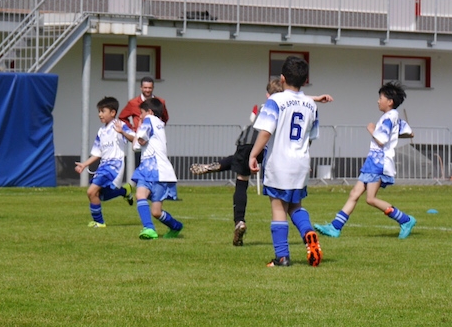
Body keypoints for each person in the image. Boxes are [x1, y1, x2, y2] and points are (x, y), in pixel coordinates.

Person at [188, 80, 334, 247]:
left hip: (247, 141)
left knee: (241, 180)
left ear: (267, 94)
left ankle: (239, 220)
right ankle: (294, 239)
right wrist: (316, 98)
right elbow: (296, 99)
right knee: (287, 202)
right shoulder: (287, 104)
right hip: (267, 145)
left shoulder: (269, 104)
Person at [314, 81, 417, 240]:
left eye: (381, 98)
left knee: (370, 199)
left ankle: (405, 220)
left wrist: (371, 130)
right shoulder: (394, 117)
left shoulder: (389, 118)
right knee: (354, 193)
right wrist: (393, 135)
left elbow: (381, 140)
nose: (378, 101)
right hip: (373, 161)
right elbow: (410, 133)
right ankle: (335, 227)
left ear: (390, 101)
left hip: (378, 162)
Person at [248, 56, 322, 267]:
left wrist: (253, 155)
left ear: (282, 78)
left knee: (278, 207)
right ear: (305, 80)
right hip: (301, 162)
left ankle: (282, 257)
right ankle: (308, 232)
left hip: (280, 162)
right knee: (295, 205)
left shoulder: (276, 101)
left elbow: (266, 131)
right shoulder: (311, 105)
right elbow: (310, 137)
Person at [75, 96, 135, 228]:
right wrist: (85, 164)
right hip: (103, 166)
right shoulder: (101, 131)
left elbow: (134, 138)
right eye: (99, 111)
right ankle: (124, 191)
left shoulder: (119, 125)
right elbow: (97, 152)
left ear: (113, 112)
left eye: (103, 111)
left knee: (91, 192)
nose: (100, 114)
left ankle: (100, 222)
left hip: (114, 165)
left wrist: (123, 132)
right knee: (99, 195)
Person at [131, 97, 183, 240]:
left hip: (153, 169)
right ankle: (150, 228)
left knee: (154, 209)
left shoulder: (149, 120)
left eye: (141, 113)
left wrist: (138, 129)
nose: (140, 116)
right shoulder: (159, 123)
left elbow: (138, 144)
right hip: (157, 170)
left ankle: (174, 226)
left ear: (149, 112)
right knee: (148, 203)